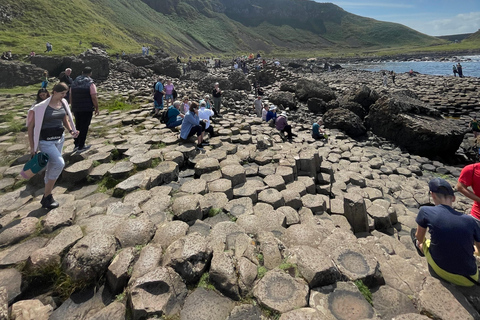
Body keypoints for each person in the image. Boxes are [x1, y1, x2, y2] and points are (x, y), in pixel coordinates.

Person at [413, 178, 480, 286]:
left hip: (441, 270)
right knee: (473, 248)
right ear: (453, 198)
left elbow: (420, 237)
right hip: (470, 279)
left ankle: (421, 249)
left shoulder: (425, 211)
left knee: (421, 242)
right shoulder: (471, 221)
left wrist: (419, 241)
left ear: (432, 194)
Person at [27, 83, 79, 209]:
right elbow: (31, 127)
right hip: (45, 141)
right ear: (54, 92)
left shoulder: (63, 103)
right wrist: (32, 146)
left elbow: (64, 119)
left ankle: (47, 196)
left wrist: (71, 130)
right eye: (62, 93)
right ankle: (47, 195)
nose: (64, 96)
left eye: (65, 93)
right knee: (59, 163)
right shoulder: (40, 107)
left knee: (52, 166)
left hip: (59, 139)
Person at [70, 67, 99, 153]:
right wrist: (96, 107)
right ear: (90, 73)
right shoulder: (90, 83)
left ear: (82, 72)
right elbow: (94, 96)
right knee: (84, 126)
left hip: (76, 107)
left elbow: (71, 95)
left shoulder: (74, 82)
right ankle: (81, 146)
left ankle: (76, 144)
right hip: (86, 108)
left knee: (77, 125)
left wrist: (72, 106)